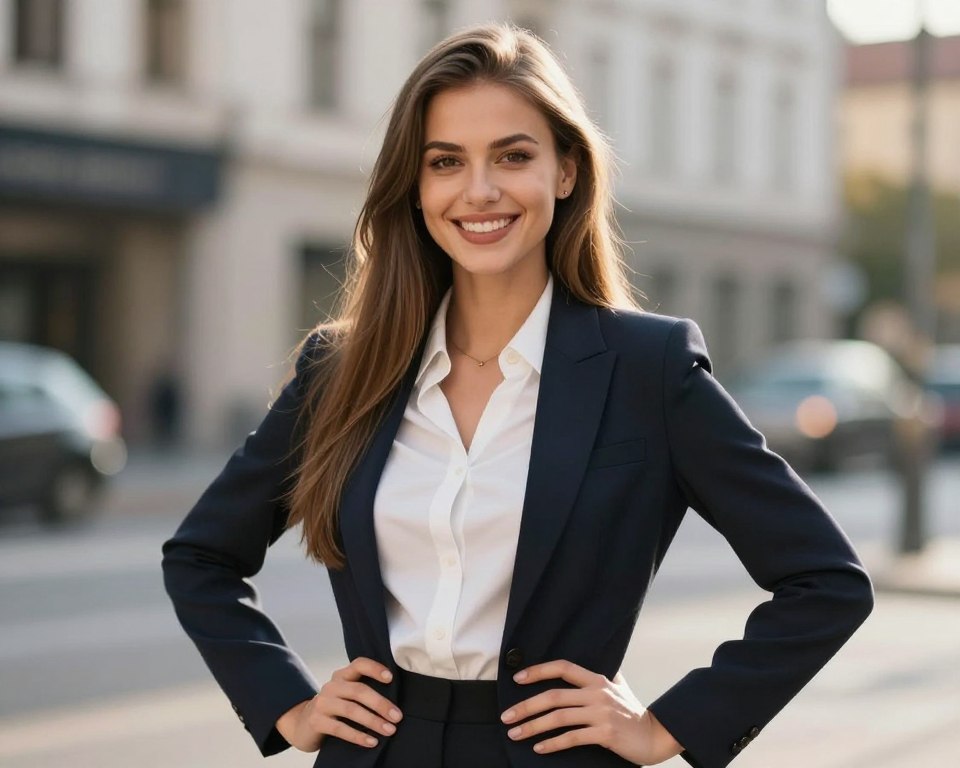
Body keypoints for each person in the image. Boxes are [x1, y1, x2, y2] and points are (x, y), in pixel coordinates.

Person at [162, 23, 873, 768]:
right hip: (372, 753)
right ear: (416, 185)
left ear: (565, 172)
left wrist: (666, 727)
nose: (480, 190)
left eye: (513, 155)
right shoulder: (341, 369)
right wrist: (289, 704)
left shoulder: (646, 368)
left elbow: (825, 581)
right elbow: (201, 556)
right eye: (446, 162)